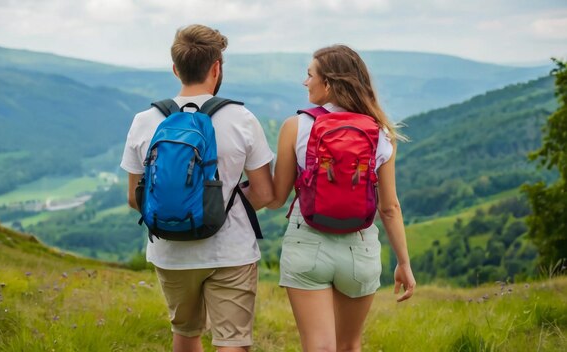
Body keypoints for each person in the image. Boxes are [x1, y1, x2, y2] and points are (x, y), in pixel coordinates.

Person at [120, 24, 274, 352]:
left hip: (170, 249)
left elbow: (135, 197)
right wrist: (216, 208)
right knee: (232, 342)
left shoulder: (144, 120)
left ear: (176, 69)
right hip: (230, 250)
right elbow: (265, 193)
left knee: (186, 335)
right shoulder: (242, 118)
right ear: (216, 68)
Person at [267, 45, 416, 351]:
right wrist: (403, 262)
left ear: (329, 83)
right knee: (349, 345)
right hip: (358, 250)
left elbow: (277, 197)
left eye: (310, 75)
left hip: (306, 244)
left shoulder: (294, 127)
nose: (305, 82)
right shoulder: (380, 133)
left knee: (318, 346)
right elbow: (389, 208)